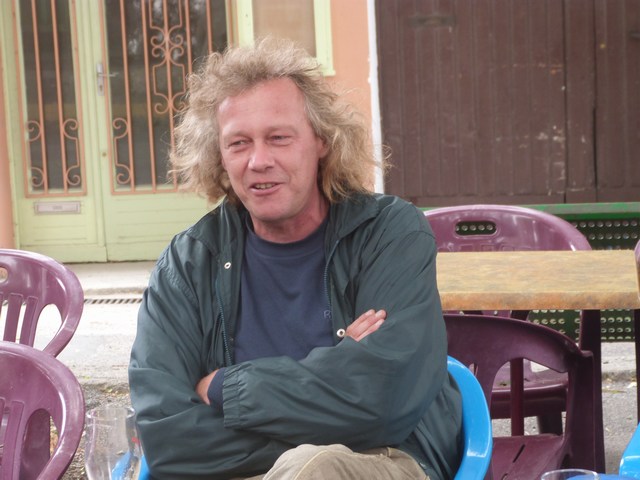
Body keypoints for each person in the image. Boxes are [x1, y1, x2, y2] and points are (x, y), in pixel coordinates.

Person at [128, 37, 462, 480]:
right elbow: (167, 438)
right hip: (235, 473)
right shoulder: (188, 264)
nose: (258, 160)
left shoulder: (388, 233)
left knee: (313, 468)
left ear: (322, 140)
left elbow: (383, 399)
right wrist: (335, 385)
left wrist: (227, 387)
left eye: (279, 138)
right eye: (238, 143)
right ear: (219, 156)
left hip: (380, 460)